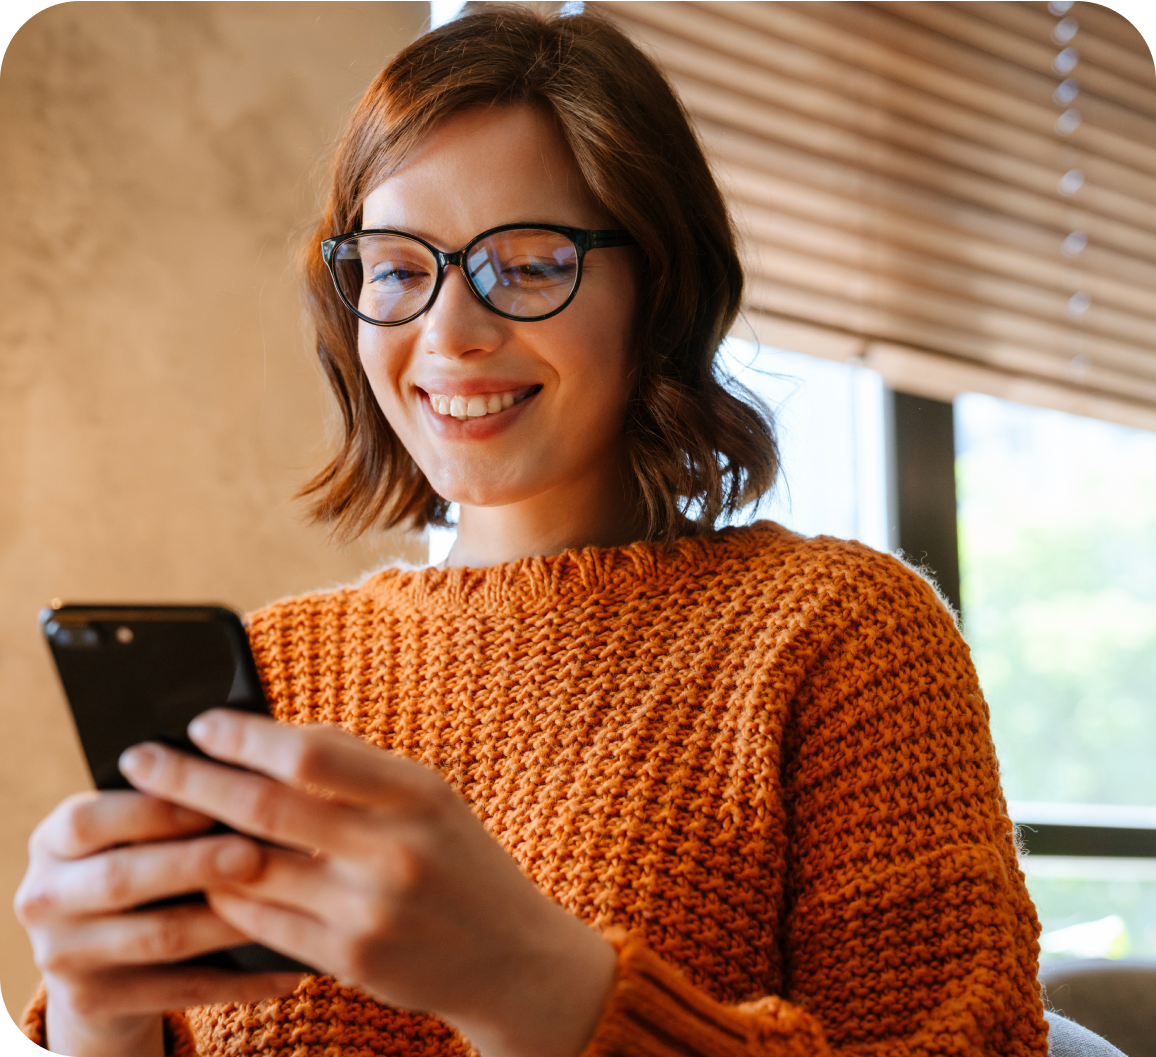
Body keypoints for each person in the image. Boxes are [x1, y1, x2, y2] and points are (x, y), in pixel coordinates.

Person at [16, 9, 1048, 1057]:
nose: (450, 332)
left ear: (659, 288)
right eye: (398, 268)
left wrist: (525, 978)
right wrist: (99, 1011)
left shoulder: (836, 634)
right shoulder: (273, 670)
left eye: (527, 262)